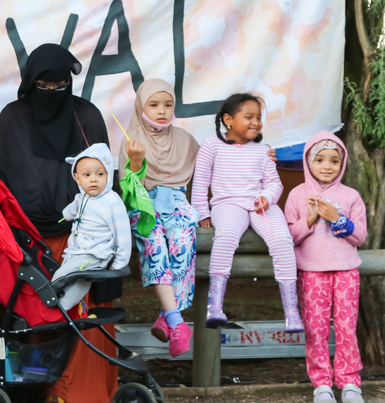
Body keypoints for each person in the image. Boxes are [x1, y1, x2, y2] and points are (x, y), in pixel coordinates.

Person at [0, 43, 115, 403]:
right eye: (44, 85)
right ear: (30, 83)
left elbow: (104, 176)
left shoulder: (87, 116)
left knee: (78, 311)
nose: (53, 92)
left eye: (61, 84)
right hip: (24, 239)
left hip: (79, 237)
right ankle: (19, 388)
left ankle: (60, 394)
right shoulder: (13, 117)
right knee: (29, 309)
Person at [191, 93, 303, 332]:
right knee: (226, 236)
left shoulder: (263, 150)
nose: (256, 122)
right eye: (249, 117)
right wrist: (202, 213)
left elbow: (275, 183)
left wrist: (267, 197)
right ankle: (215, 306)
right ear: (228, 120)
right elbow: (200, 181)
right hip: (228, 204)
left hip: (261, 204)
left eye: (259, 118)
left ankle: (291, 312)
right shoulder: (212, 144)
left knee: (283, 240)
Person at [284, 133, 368, 403]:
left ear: (342, 164)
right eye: (319, 160)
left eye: (334, 160)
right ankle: (322, 385)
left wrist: (336, 218)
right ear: (309, 162)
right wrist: (310, 218)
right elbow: (290, 236)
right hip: (311, 273)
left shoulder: (351, 196)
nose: (327, 166)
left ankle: (350, 384)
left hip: (346, 272)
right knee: (316, 330)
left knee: (346, 328)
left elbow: (360, 237)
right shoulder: (297, 195)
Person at [117, 79, 200, 358]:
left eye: (168, 104)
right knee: (154, 246)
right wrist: (137, 161)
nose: (162, 110)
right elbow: (129, 190)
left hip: (177, 201)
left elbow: (213, 165)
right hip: (144, 203)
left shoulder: (186, 141)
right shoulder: (131, 140)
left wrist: (264, 158)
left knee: (183, 243)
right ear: (142, 106)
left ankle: (168, 316)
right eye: (153, 104)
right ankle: (177, 323)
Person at [51, 144, 132, 310]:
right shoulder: (82, 197)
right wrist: (65, 216)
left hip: (95, 254)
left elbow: (123, 235)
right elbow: (74, 208)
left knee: (62, 278)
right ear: (77, 178)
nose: (93, 179)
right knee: (75, 279)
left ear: (108, 175)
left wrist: (119, 263)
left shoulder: (111, 202)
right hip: (77, 252)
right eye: (87, 174)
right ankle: (61, 308)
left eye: (100, 174)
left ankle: (57, 309)